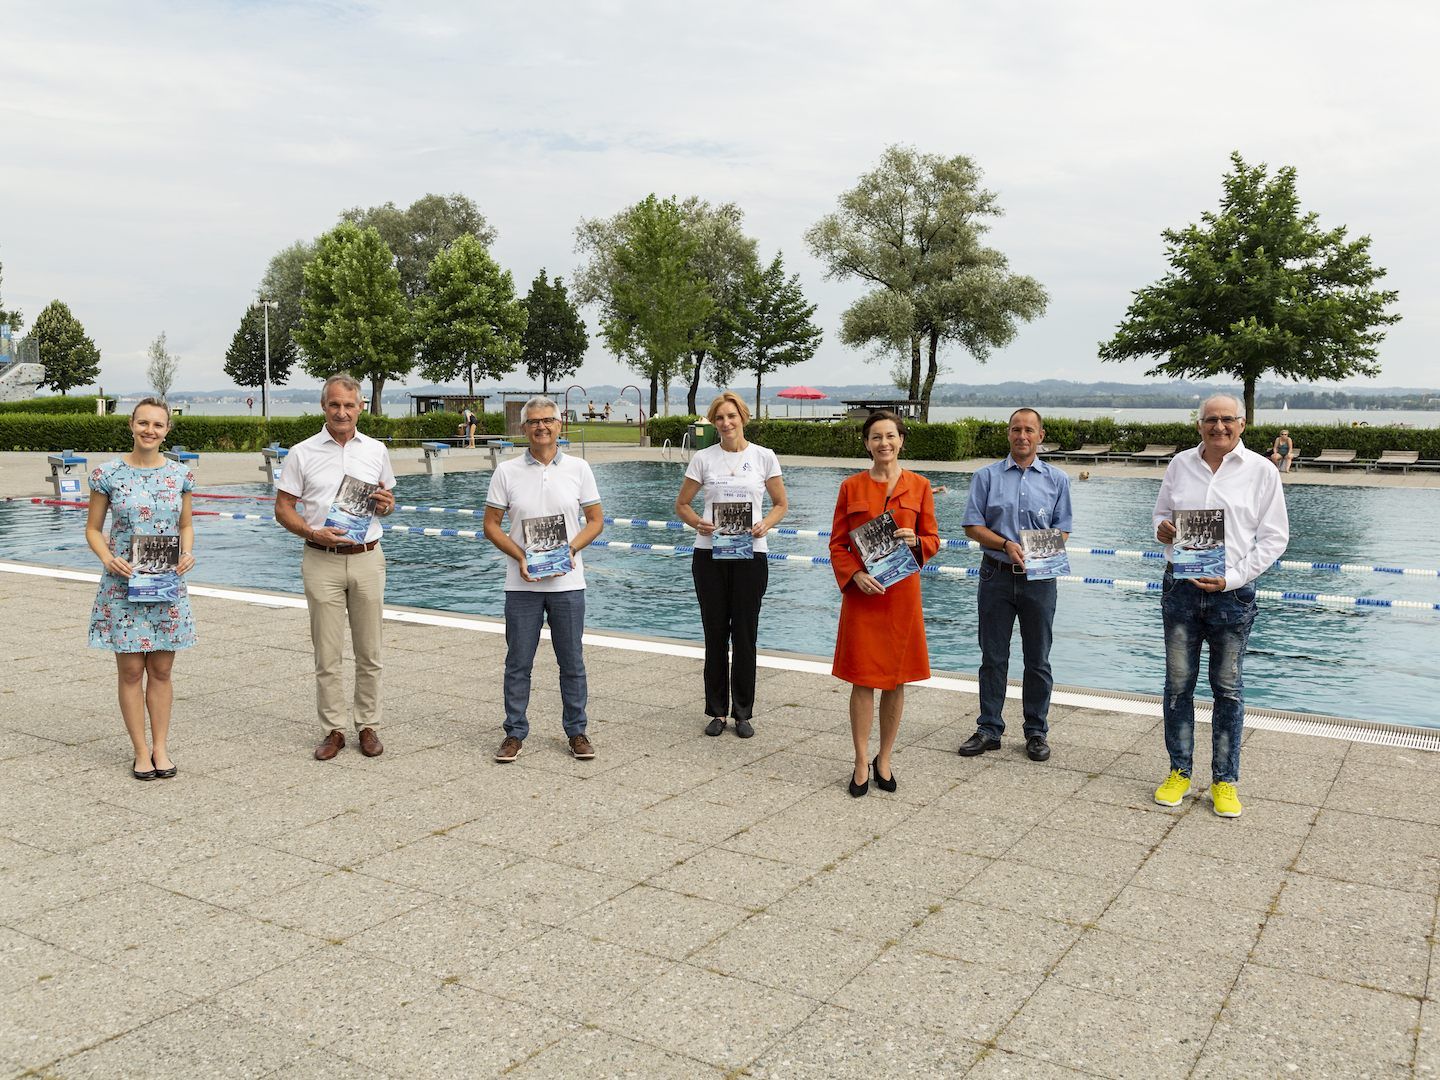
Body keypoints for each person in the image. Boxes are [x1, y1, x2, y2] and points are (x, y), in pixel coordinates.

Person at [1152, 395, 1289, 818]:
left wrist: (1234, 578)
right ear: (1199, 426)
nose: (1219, 427)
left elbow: (1274, 538)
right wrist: (1162, 530)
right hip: (1181, 588)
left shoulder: (1262, 472)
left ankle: (1225, 780)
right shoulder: (1179, 465)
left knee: (1227, 690)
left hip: (1232, 594)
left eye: (1227, 419)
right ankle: (1179, 771)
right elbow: (1159, 516)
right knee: (1178, 686)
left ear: (1242, 424)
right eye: (1210, 420)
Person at [274, 375, 396, 761]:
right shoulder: (302, 453)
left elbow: (387, 499)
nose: (341, 412)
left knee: (370, 650)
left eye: (349, 405)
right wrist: (313, 531)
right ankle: (333, 730)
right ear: (323, 407)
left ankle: (368, 725)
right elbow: (282, 509)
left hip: (367, 557)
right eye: (334, 405)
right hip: (320, 559)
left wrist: (386, 504)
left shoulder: (376, 450)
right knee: (326, 653)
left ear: (360, 407)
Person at [483, 396, 605, 763]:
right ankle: (514, 732)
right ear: (524, 429)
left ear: (559, 424)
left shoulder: (580, 469)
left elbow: (596, 521)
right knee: (518, 661)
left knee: (572, 662)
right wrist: (520, 556)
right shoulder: (506, 472)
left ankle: (577, 731)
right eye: (534, 422)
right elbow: (490, 525)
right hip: (522, 585)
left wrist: (571, 549)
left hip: (568, 584)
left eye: (548, 420)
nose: (542, 427)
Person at [85, 398, 197, 780]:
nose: (150, 430)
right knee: (131, 671)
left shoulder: (180, 476)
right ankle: (140, 752)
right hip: (124, 583)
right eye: (143, 423)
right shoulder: (108, 474)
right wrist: (107, 558)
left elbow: (185, 525)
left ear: (167, 430)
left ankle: (161, 747)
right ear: (131, 425)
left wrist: (187, 553)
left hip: (165, 582)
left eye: (158, 425)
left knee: (162, 670)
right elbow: (93, 529)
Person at [829, 411, 939, 797]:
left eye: (890, 436)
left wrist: (917, 542)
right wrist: (854, 575)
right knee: (862, 679)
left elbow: (933, 539)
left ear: (901, 440)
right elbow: (838, 544)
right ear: (866, 444)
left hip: (901, 596)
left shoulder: (920, 486)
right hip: (863, 596)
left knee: (896, 679)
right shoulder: (851, 487)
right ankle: (861, 760)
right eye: (876, 437)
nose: (884, 444)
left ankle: (885, 758)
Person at [958, 408, 1073, 763]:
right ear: (1008, 435)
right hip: (996, 574)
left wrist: (1043, 552)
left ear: (1041, 435)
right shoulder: (986, 477)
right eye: (1015, 429)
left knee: (1038, 659)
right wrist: (1004, 544)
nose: (1022, 435)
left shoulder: (1058, 480)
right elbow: (972, 526)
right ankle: (989, 728)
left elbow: (1064, 528)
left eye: (1029, 430)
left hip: (1040, 580)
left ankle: (1036, 731)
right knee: (993, 656)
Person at [674, 391, 789, 738]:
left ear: (743, 417)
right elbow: (682, 505)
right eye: (719, 418)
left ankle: (742, 712)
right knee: (714, 634)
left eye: (731, 416)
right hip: (709, 555)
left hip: (750, 555)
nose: (725, 423)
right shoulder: (703, 459)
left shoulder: (764, 457)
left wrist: (765, 524)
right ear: (714, 422)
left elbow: (781, 503)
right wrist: (698, 523)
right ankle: (716, 711)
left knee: (745, 634)